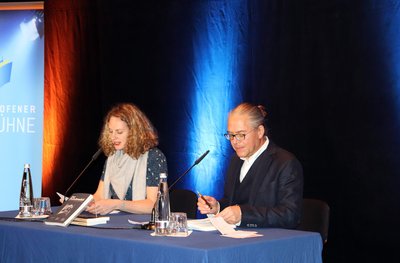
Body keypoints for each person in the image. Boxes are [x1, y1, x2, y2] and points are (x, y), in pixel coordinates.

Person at [197, 102, 303, 228]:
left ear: (259, 131)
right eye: (231, 135)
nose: (235, 141)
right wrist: (217, 207)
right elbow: (233, 203)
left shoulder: (285, 163)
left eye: (241, 135)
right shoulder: (235, 160)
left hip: (269, 242)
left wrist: (243, 215)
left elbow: (290, 215)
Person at [86, 103, 167, 215]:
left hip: (143, 225)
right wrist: (79, 203)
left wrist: (117, 204)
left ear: (134, 132)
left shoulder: (153, 157)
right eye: (110, 131)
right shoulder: (112, 157)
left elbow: (153, 205)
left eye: (119, 132)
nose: (113, 137)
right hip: (116, 222)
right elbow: (99, 195)